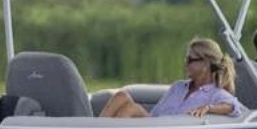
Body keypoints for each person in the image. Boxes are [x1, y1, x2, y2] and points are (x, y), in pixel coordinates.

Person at [99, 38, 244, 119]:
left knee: (131, 109)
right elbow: (154, 115)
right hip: (156, 128)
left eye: (190, 60)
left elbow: (234, 107)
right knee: (120, 96)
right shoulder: (178, 86)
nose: (185, 63)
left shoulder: (215, 94)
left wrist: (208, 108)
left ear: (205, 64)